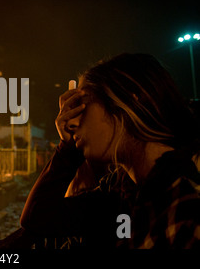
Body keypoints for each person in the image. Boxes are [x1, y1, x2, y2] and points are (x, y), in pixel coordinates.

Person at [19, 53, 200, 249]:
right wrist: (68, 149)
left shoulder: (186, 205)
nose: (69, 122)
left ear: (129, 103)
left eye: (83, 107)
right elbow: (39, 217)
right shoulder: (122, 191)